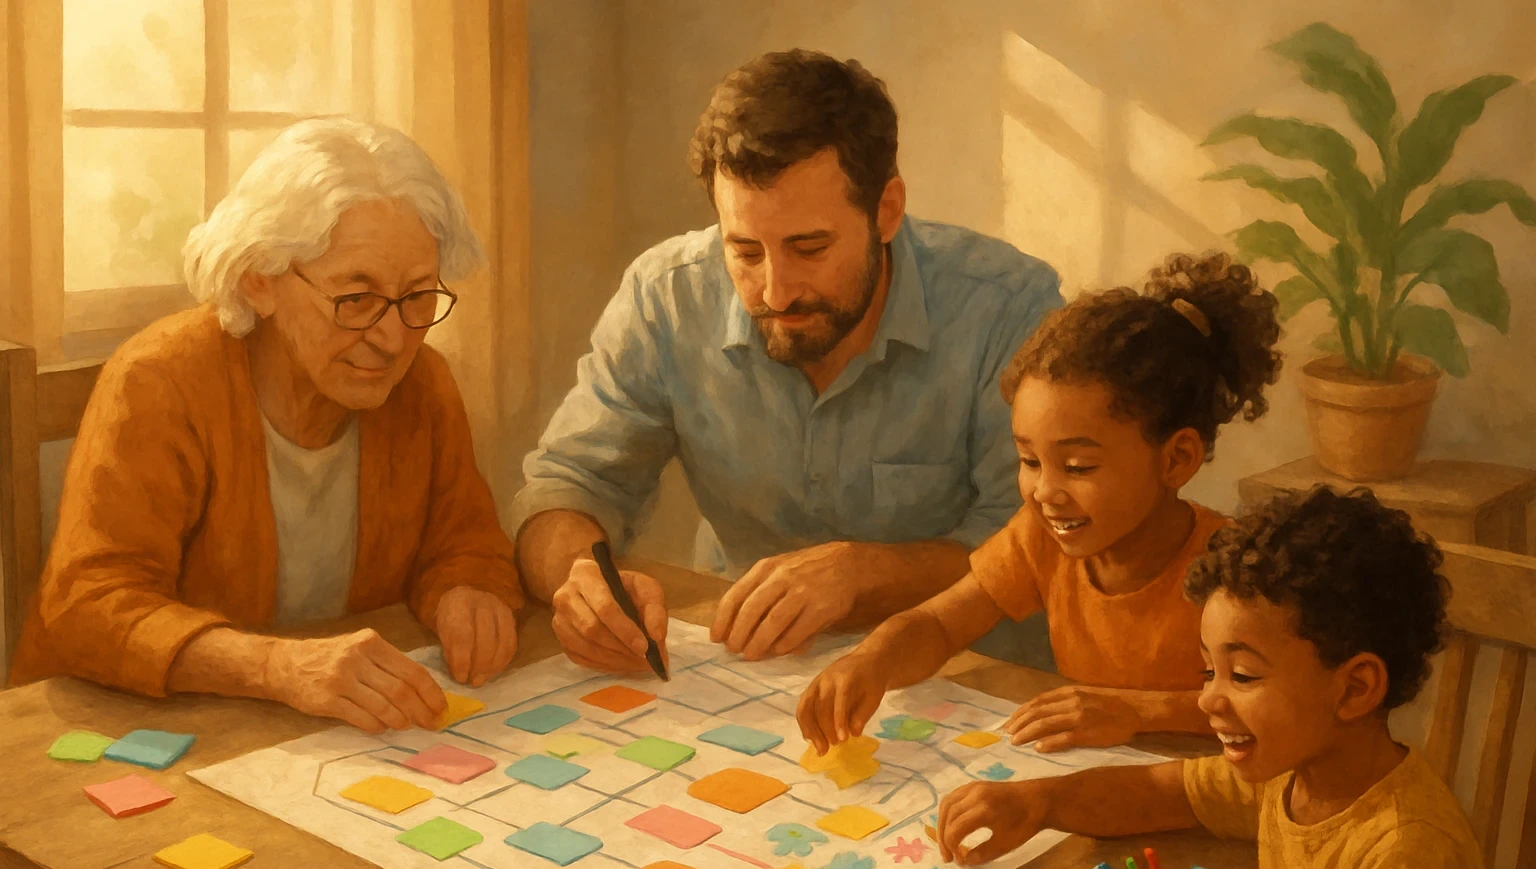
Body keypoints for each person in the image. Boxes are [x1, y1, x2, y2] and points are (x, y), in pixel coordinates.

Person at [509, 49, 1063, 675]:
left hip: (968, 683)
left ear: (887, 209)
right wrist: (578, 577)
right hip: (742, 672)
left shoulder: (1007, 309)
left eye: (809, 247)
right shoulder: (665, 295)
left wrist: (862, 574)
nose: (774, 292)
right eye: (745, 250)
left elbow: (1045, 544)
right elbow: (569, 484)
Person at [9, 117, 524, 734]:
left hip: (327, 736)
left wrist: (468, 593)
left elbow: (465, 544)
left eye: (417, 297)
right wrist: (275, 667)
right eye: (355, 299)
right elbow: (86, 609)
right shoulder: (161, 381)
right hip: (141, 736)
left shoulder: (423, 386)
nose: (393, 337)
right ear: (261, 281)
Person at [935, 488, 1497, 869]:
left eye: (1244, 674)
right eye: (1209, 670)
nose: (1208, 698)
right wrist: (1039, 801)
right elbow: (1156, 792)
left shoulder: (1422, 849)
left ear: (1354, 690)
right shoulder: (1288, 775)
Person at [797, 251, 1282, 754]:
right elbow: (940, 624)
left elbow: (1273, 706)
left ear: (1176, 459)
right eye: (1029, 460)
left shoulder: (1236, 573)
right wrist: (869, 660)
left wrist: (1133, 712)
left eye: (1078, 468)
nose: (1045, 492)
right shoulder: (1041, 540)